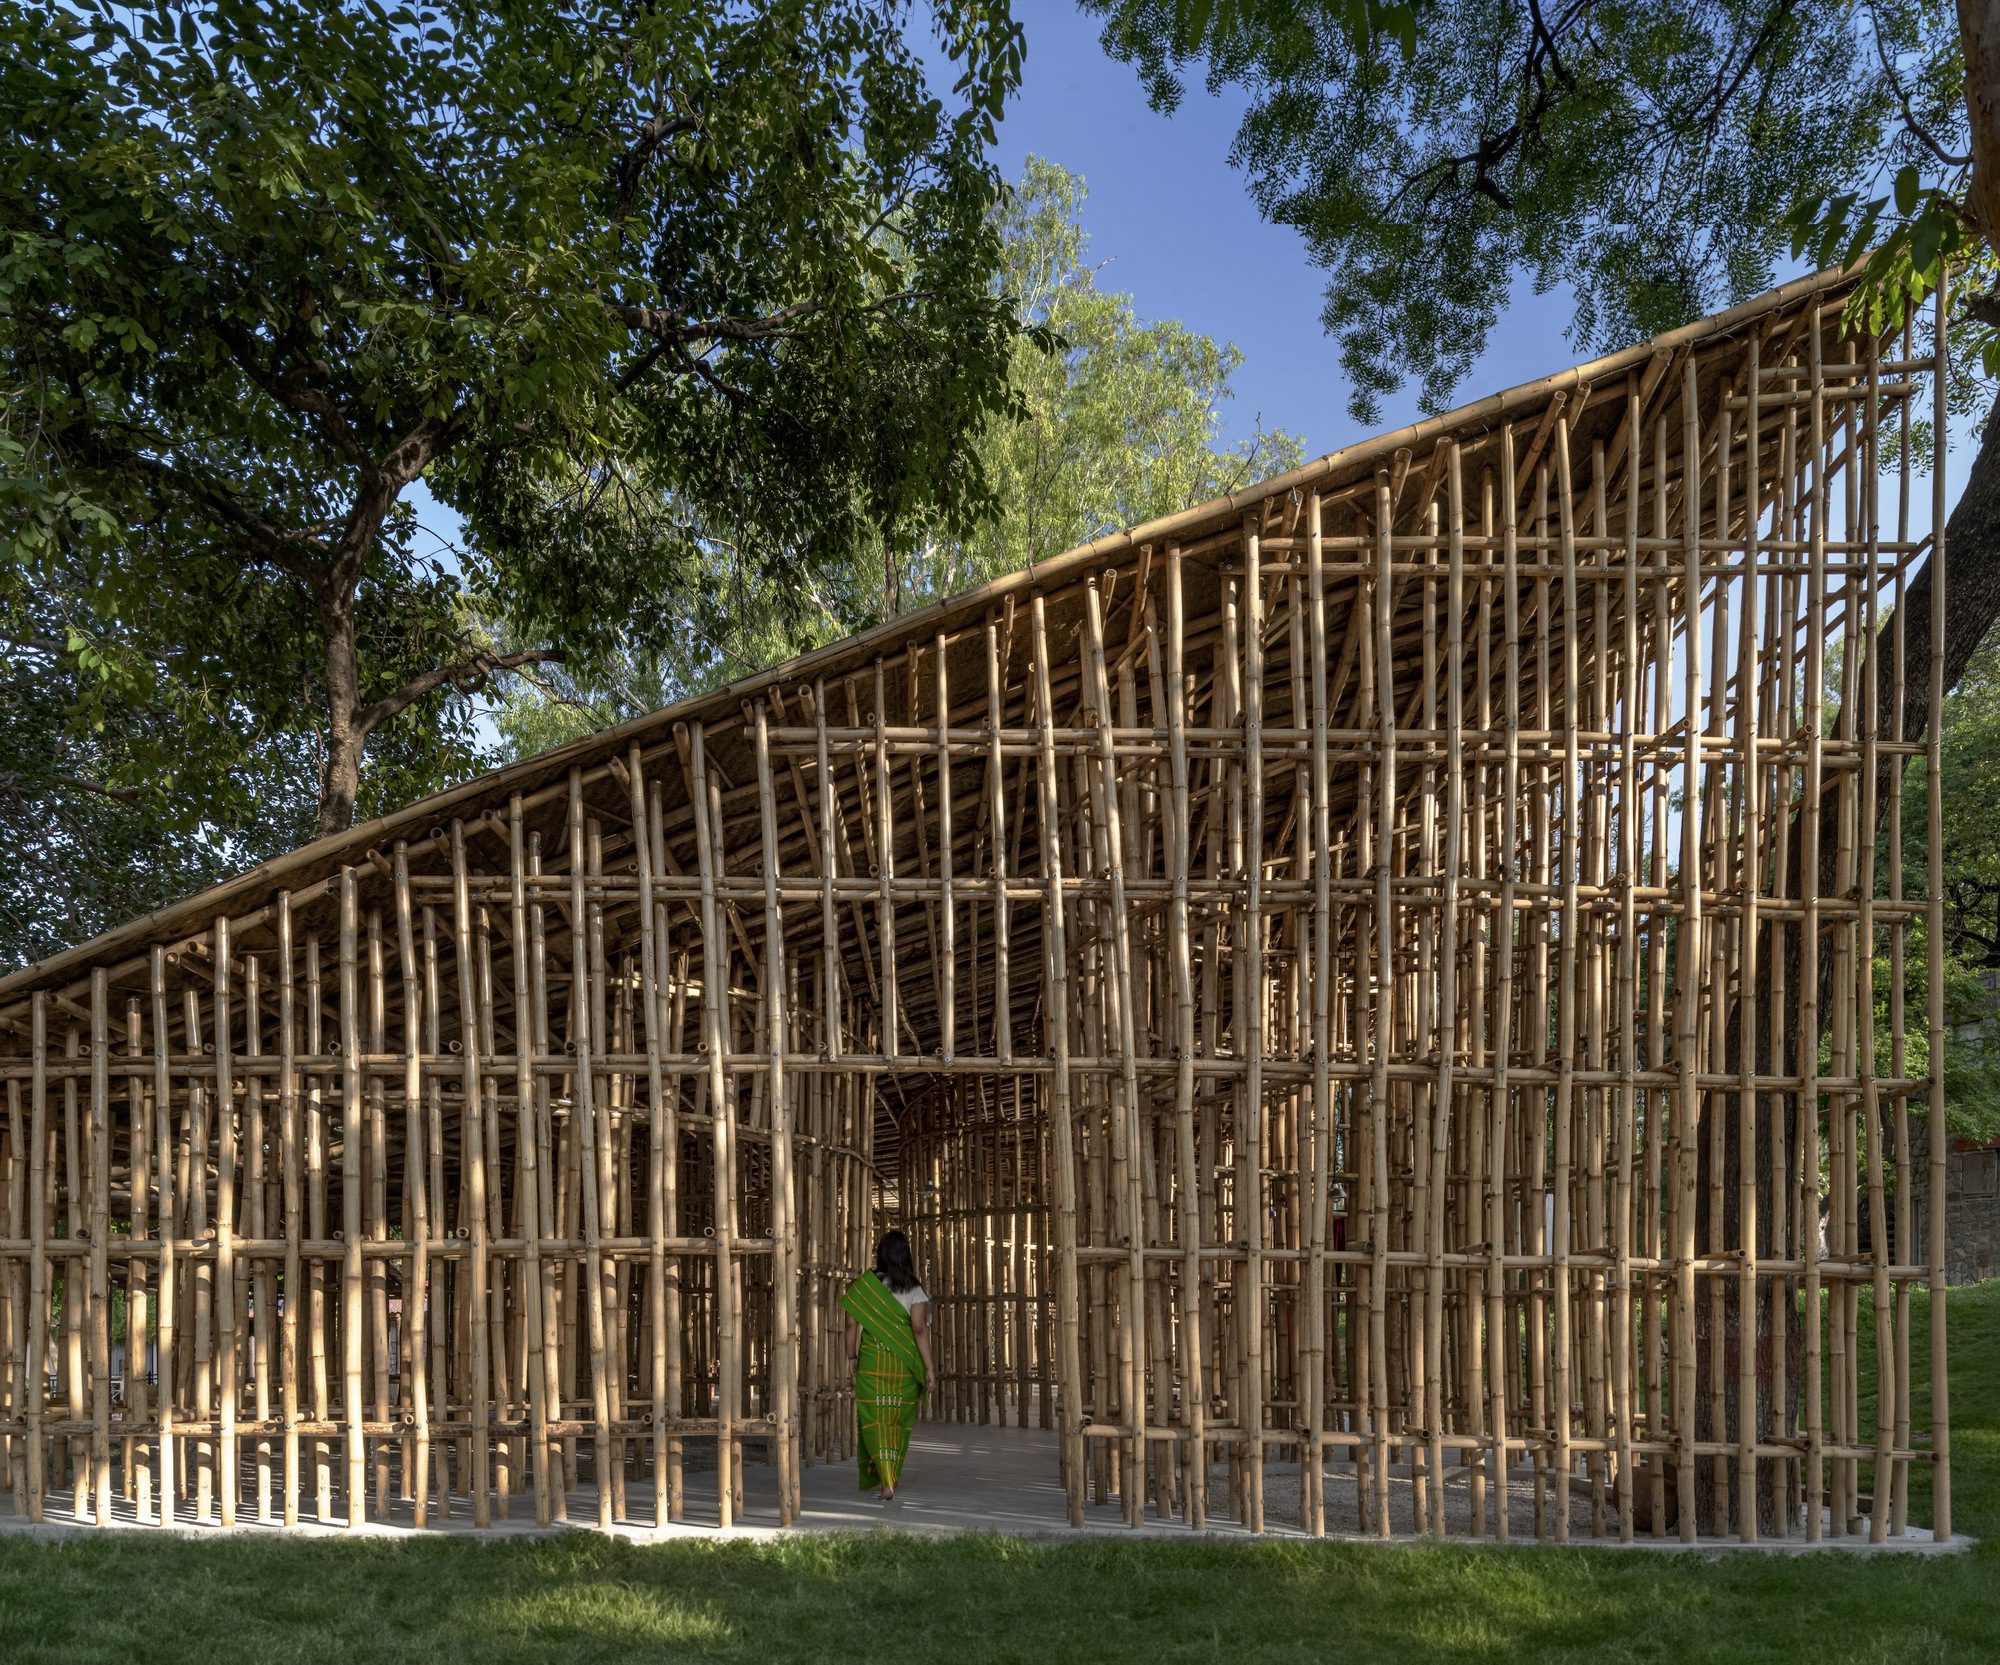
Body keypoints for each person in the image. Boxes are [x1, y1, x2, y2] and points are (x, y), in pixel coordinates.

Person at [841, 1229, 934, 1502]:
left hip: (871, 1363)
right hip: (902, 1367)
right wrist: (929, 1368)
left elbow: (850, 1324)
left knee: (874, 1420)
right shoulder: (915, 1290)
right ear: (907, 1257)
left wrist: (851, 1358)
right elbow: (918, 1330)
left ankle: (885, 1480)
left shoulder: (866, 1286)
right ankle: (891, 1476)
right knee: (896, 1422)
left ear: (880, 1255)